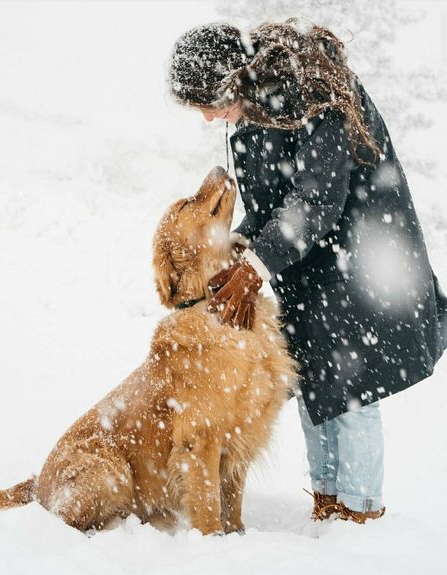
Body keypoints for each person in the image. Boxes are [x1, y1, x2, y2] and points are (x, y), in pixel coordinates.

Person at [168, 19, 447, 523]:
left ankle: (360, 514)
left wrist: (256, 264)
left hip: (360, 255)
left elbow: (316, 198)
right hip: (306, 260)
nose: (210, 118)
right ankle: (327, 502)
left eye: (209, 104)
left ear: (233, 78)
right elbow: (274, 200)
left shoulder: (310, 90)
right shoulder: (251, 108)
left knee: (352, 392)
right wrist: (241, 250)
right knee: (314, 380)